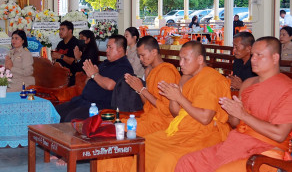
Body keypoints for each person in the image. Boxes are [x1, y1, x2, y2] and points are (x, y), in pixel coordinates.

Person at [175, 37, 292, 172]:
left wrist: (243, 115)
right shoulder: (247, 84)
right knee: (187, 162)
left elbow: (279, 134)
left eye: (259, 55)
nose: (253, 59)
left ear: (275, 57)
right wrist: (231, 111)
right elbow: (236, 123)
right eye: (253, 55)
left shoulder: (287, 88)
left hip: (267, 151)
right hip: (238, 143)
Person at [136, 41, 231, 172]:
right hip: (184, 130)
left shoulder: (212, 79)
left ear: (199, 59)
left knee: (168, 157)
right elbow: (177, 114)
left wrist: (179, 97)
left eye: (185, 59)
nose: (180, 63)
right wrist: (174, 98)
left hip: (206, 133)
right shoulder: (187, 79)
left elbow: (205, 118)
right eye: (180, 59)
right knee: (145, 144)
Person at [97, 35, 181, 172]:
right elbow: (147, 104)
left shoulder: (166, 71)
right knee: (112, 127)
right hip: (147, 117)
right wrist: (139, 90)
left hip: (161, 123)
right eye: (139, 56)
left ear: (154, 52)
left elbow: (166, 109)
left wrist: (142, 89)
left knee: (115, 131)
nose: (141, 59)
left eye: (142, 55)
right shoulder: (150, 71)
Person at [54, 35, 133, 122]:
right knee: (55, 112)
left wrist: (94, 74)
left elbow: (110, 85)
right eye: (107, 47)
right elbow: (90, 80)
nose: (107, 50)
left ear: (120, 49)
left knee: (70, 118)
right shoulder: (106, 63)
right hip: (83, 100)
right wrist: (90, 75)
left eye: (110, 47)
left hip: (100, 106)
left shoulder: (124, 66)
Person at [51, 21, 79, 85]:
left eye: (63, 29)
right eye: (59, 29)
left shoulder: (76, 43)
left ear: (70, 31)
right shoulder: (60, 44)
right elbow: (56, 59)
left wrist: (61, 56)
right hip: (59, 73)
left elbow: (74, 62)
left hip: (71, 75)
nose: (60, 32)